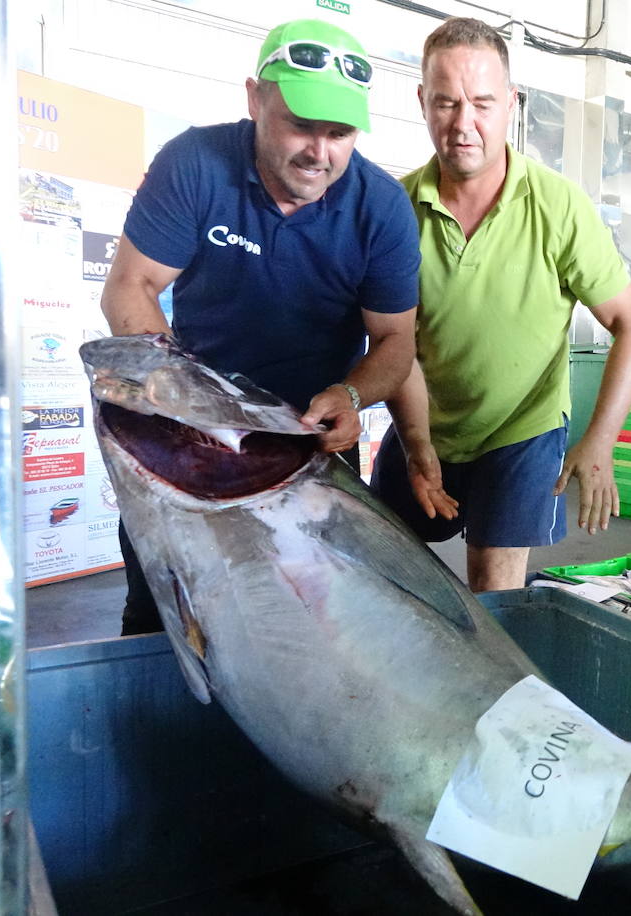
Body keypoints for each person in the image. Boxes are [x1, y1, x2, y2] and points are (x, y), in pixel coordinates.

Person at [101, 18, 421, 635]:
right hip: (188, 432)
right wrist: (184, 398)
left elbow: (395, 341)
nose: (319, 152)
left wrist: (352, 395)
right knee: (163, 611)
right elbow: (129, 286)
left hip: (311, 441)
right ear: (254, 98)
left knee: (310, 618)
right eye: (301, 125)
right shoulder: (195, 163)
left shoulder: (381, 208)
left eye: (340, 133)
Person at [370, 17, 631, 592]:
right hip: (423, 422)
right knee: (384, 572)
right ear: (422, 102)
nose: (464, 124)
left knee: (497, 592)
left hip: (521, 429)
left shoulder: (558, 206)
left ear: (511, 104)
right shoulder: (393, 208)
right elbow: (392, 343)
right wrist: (419, 446)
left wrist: (600, 440)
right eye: (446, 103)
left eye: (482, 103)